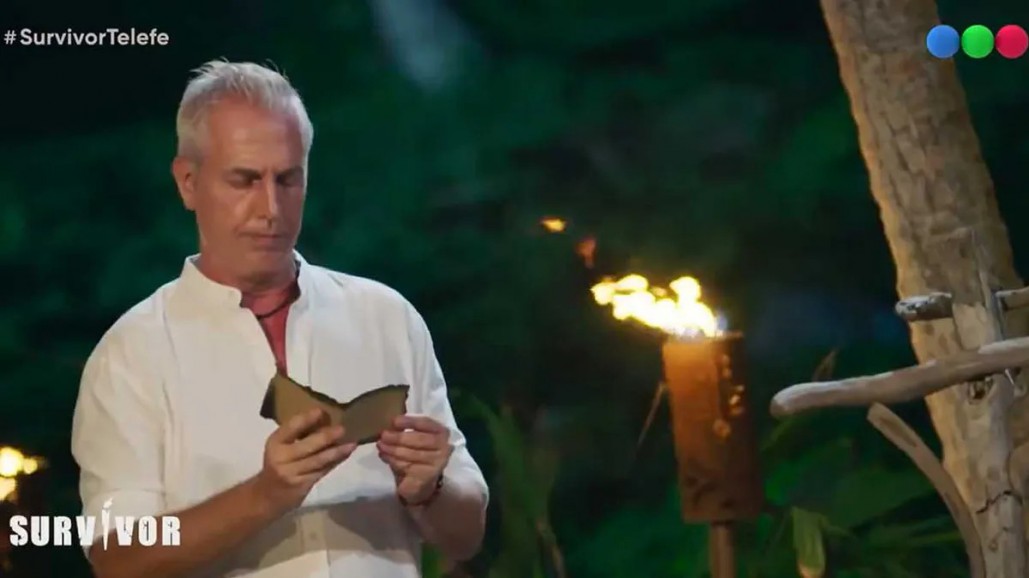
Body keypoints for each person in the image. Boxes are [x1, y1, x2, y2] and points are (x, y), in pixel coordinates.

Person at [70, 60, 489, 578]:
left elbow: (467, 533)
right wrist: (265, 496)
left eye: (288, 180)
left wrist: (430, 488)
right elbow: (116, 558)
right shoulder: (132, 354)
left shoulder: (386, 317)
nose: (271, 207)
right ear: (188, 182)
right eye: (244, 180)